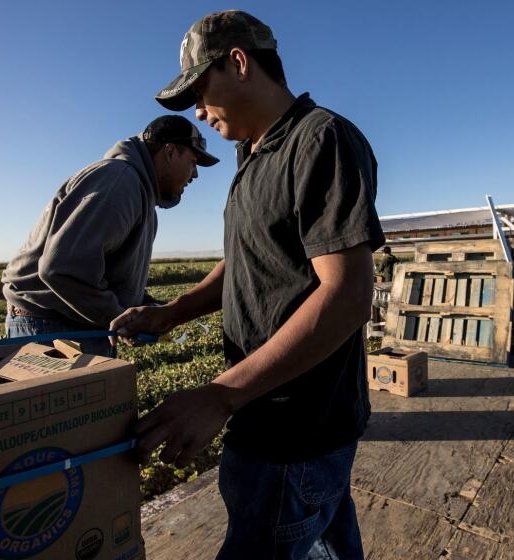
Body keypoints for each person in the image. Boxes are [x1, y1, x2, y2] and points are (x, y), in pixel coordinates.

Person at [111, 10, 384, 558]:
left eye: (197, 89)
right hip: (265, 414)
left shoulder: (320, 140)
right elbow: (245, 261)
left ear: (238, 63)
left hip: (295, 430)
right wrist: (172, 313)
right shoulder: (252, 155)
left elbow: (349, 294)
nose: (196, 110)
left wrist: (219, 395)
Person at [1, 116, 218, 356]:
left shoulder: (139, 193)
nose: (195, 174)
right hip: (53, 328)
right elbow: (62, 269)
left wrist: (146, 309)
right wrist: (120, 319)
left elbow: (107, 274)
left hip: (70, 325)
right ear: (169, 152)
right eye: (193, 161)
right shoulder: (120, 182)